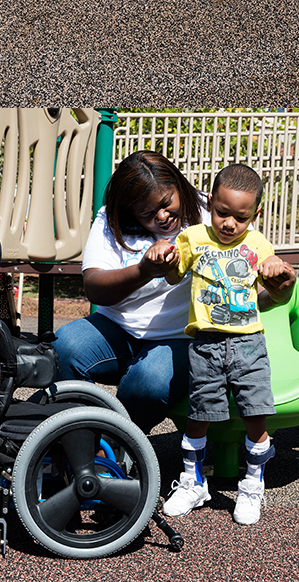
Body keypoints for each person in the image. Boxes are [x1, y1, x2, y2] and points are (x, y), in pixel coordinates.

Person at [159, 164, 297, 525]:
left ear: (255, 214)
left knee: (255, 414)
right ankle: (193, 482)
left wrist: (279, 272)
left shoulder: (258, 243)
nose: (229, 224)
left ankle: (253, 483)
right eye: (222, 212)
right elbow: (174, 274)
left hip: (249, 343)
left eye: (241, 216)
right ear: (210, 202)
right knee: (199, 415)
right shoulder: (192, 237)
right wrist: (165, 259)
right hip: (206, 343)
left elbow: (273, 277)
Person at [51, 150, 208, 433]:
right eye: (147, 213)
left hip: (181, 336)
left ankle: (117, 445)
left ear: (178, 185)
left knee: (147, 381)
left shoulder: (209, 212)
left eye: (166, 203)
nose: (162, 216)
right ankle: (83, 439)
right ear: (131, 211)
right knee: (63, 347)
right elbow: (94, 288)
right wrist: (143, 271)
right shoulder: (111, 220)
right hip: (119, 328)